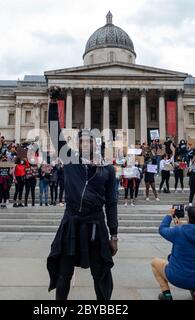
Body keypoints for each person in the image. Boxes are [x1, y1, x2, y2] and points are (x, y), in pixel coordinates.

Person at [46, 88, 118, 301]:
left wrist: (114, 234)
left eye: (91, 140)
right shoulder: (70, 160)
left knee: (101, 273)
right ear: (78, 144)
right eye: (83, 140)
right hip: (72, 221)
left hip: (96, 222)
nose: (86, 143)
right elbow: (53, 131)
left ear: (98, 145)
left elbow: (112, 203)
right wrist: (52, 102)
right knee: (64, 273)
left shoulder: (107, 170)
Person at [151, 206, 195, 300]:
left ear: (189, 218)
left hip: (176, 276)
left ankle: (166, 295)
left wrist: (169, 215)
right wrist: (183, 226)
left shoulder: (179, 231)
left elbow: (162, 229)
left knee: (154, 262)